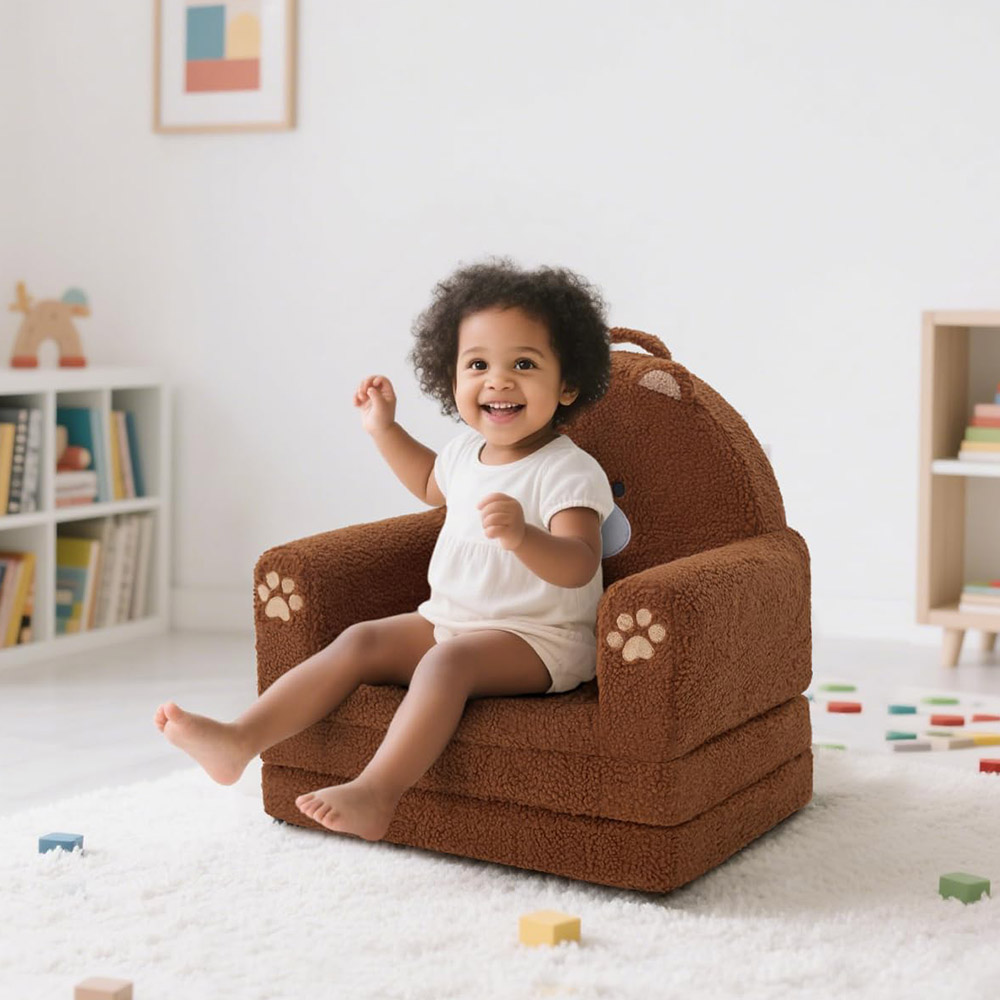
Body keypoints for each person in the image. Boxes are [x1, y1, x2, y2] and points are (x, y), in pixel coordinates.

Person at [154, 256, 614, 843]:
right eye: (477, 365)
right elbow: (428, 483)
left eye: (523, 364)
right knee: (362, 640)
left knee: (448, 663)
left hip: (540, 640)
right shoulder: (464, 454)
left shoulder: (567, 471)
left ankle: (377, 793)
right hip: (452, 619)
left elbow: (578, 565)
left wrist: (525, 537)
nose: (497, 381)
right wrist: (384, 429)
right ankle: (238, 740)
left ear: (567, 383)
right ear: (451, 379)